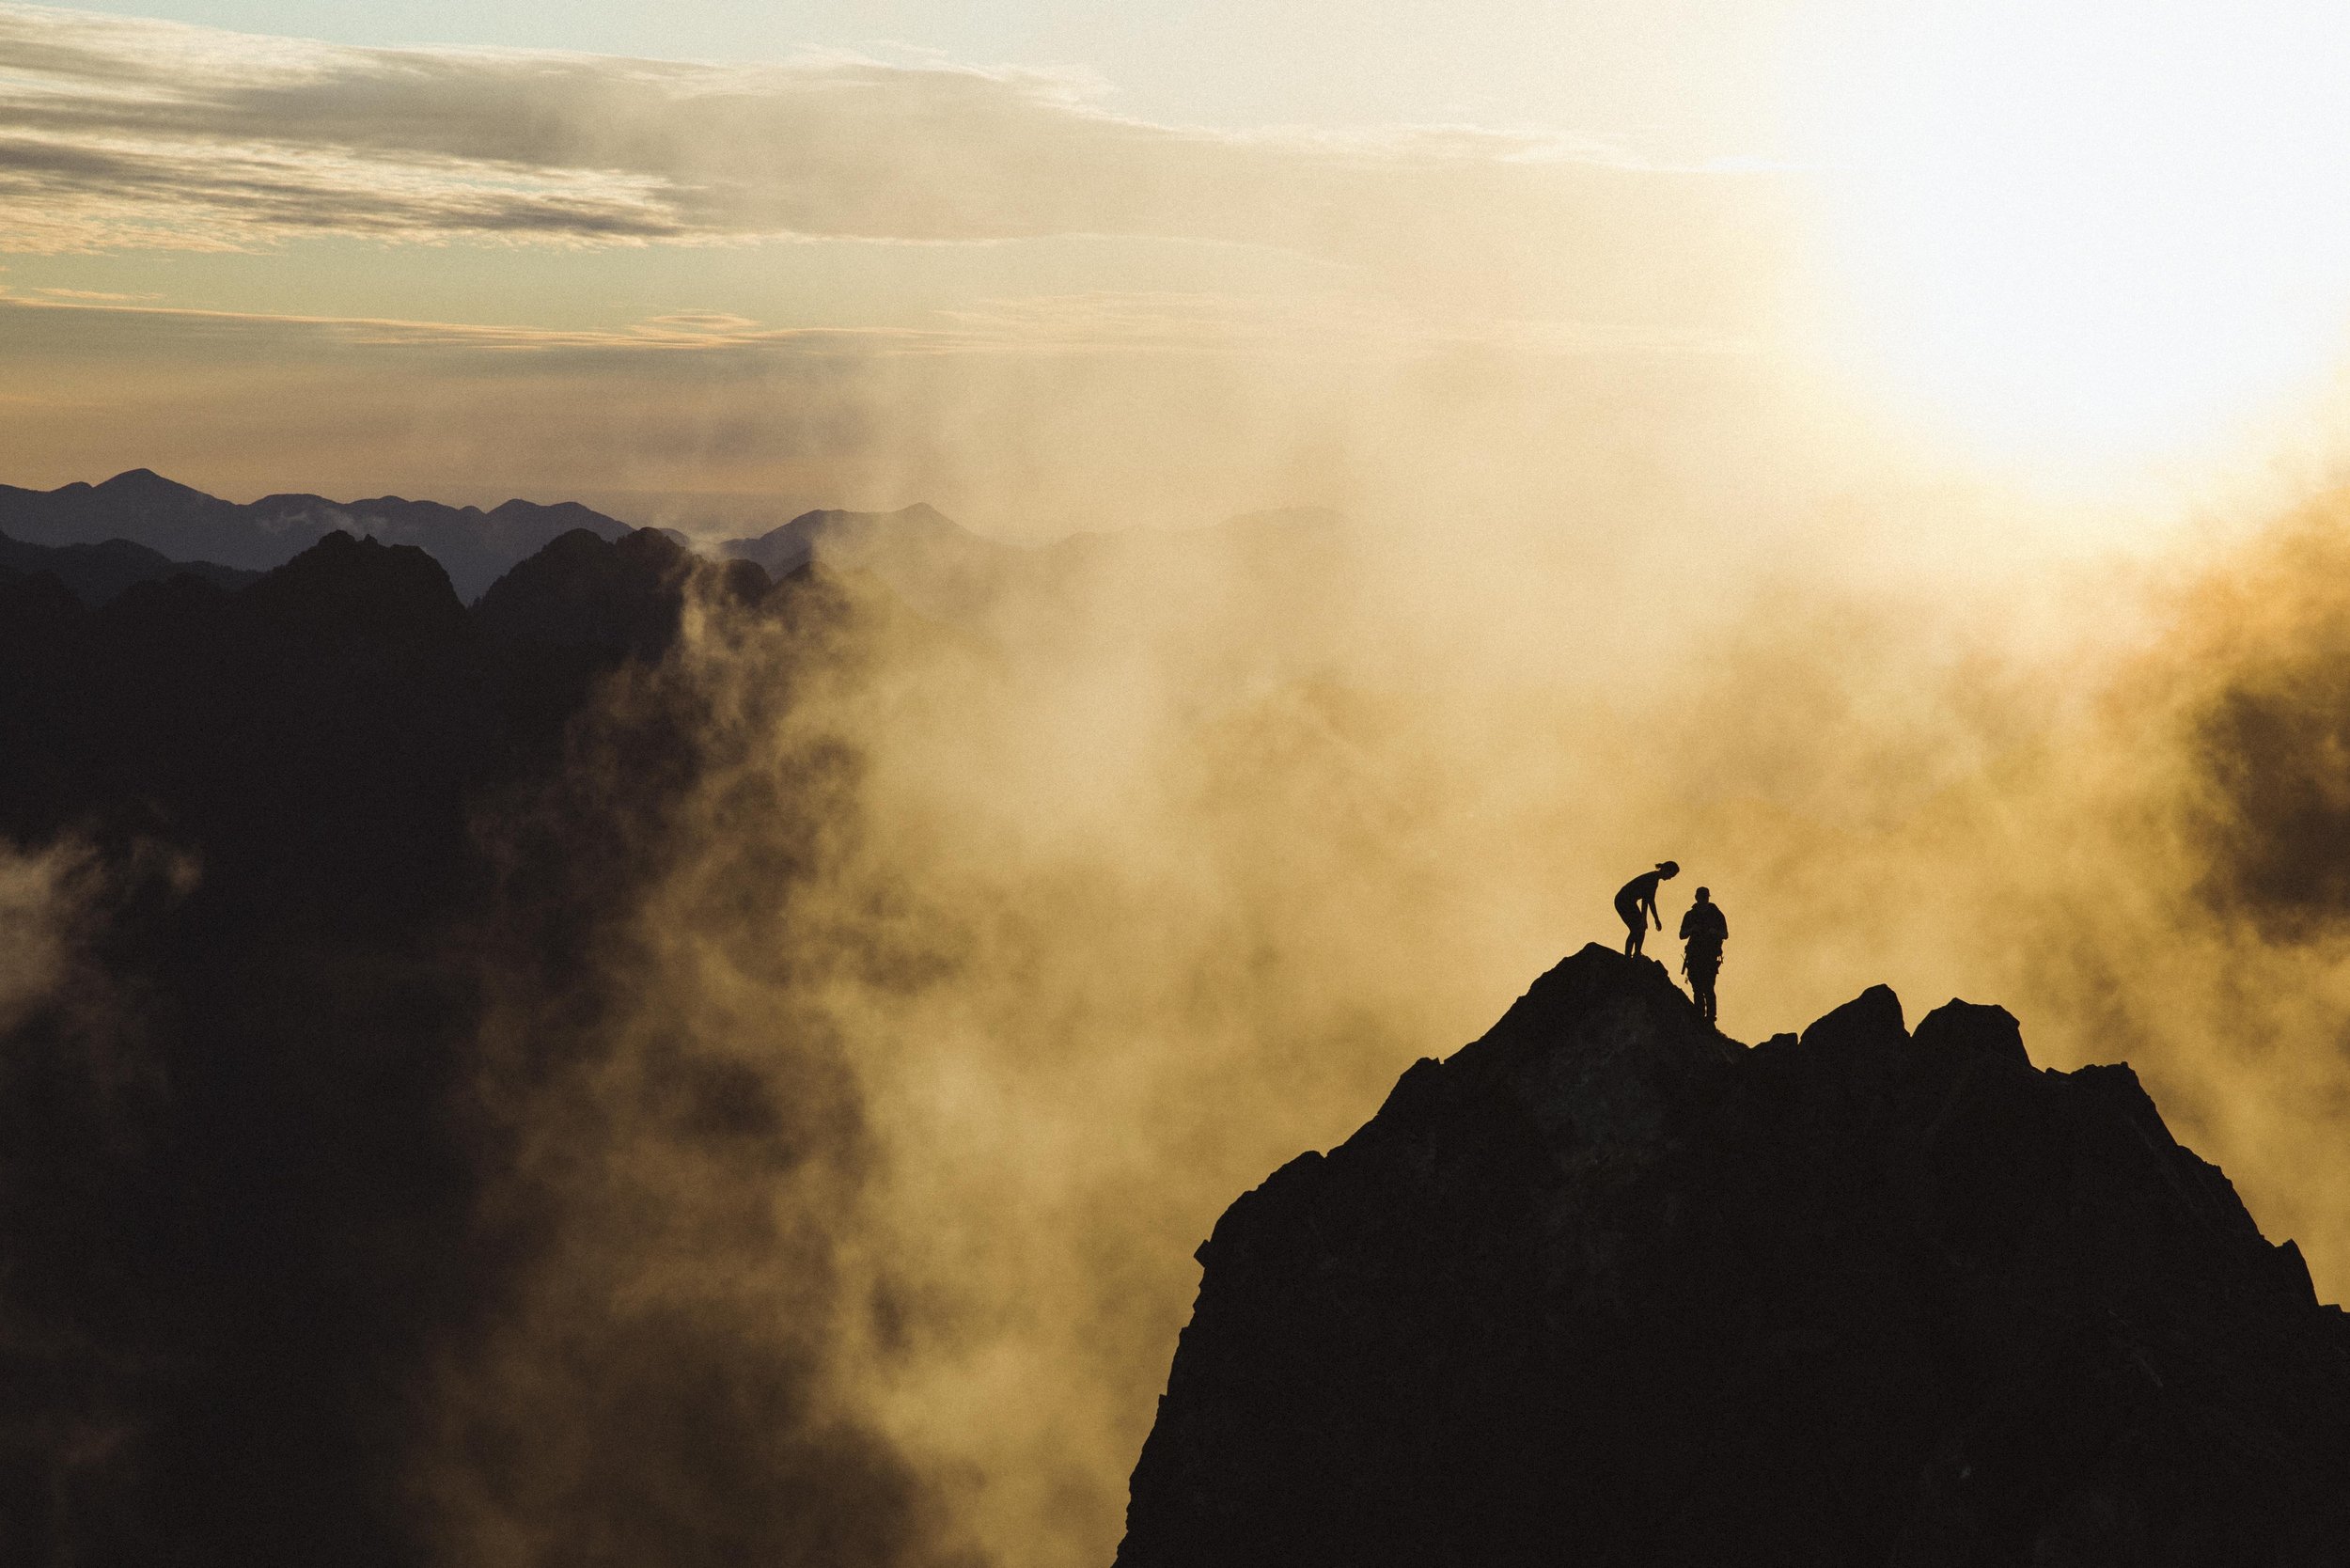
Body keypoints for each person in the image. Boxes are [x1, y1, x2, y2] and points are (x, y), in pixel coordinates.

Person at [1679, 886, 1729, 1024]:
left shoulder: (1717, 915)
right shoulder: (1690, 915)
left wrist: (1715, 932)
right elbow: (1681, 934)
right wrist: (1691, 929)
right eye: (1701, 897)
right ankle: (1700, 1017)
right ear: (1697, 898)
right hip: (1695, 956)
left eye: (1705, 897)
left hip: (1709, 957)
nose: (1703, 900)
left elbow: (1725, 934)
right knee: (1698, 988)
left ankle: (1710, 1019)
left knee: (1708, 988)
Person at [1613, 861, 1679, 958]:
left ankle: (1636, 953)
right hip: (1623, 901)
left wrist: (1656, 919)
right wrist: (1644, 919)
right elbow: (1645, 901)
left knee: (1639, 928)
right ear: (1666, 870)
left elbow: (1651, 901)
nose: (1670, 878)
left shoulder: (1654, 880)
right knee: (1637, 928)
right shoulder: (1652, 879)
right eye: (1671, 875)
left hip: (1627, 901)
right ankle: (1630, 955)